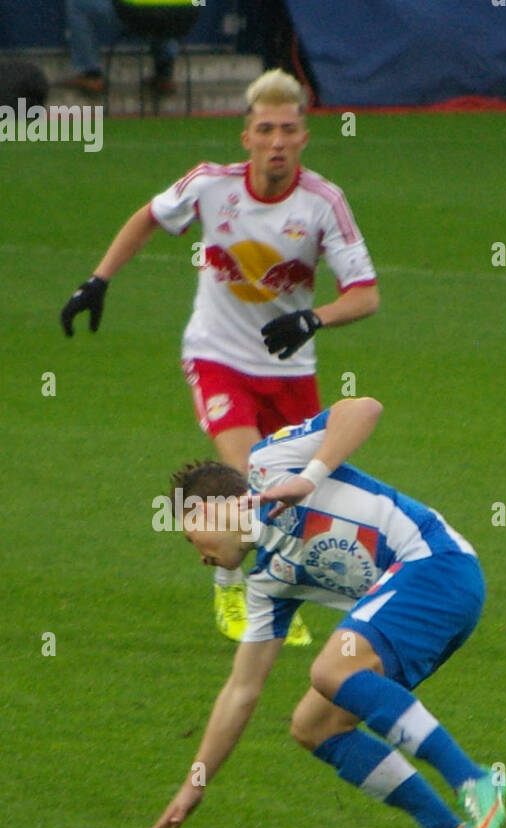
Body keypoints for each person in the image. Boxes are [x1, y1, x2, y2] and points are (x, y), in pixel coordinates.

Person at [60, 68, 380, 646]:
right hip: (216, 357)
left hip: (289, 370)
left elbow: (367, 294)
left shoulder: (323, 203)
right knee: (247, 478)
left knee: (292, 499)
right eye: (266, 129)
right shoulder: (211, 186)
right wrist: (97, 281)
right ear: (247, 137)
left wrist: (315, 317)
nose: (277, 141)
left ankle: (277, 592)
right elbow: (148, 218)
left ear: (304, 137)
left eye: (288, 129)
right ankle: (231, 587)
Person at [141, 397, 506, 828]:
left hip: (439, 564)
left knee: (332, 668)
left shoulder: (269, 465)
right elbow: (242, 689)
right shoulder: (266, 582)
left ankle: (474, 780)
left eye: (192, 537)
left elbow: (366, 408)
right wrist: (194, 785)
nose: (199, 555)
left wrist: (308, 478)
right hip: (420, 610)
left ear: (212, 513)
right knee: (314, 726)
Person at [64, 0, 178, 97]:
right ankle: (164, 73)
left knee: (76, 4)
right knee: (166, 12)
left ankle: (91, 75)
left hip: (135, 13)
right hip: (179, 14)